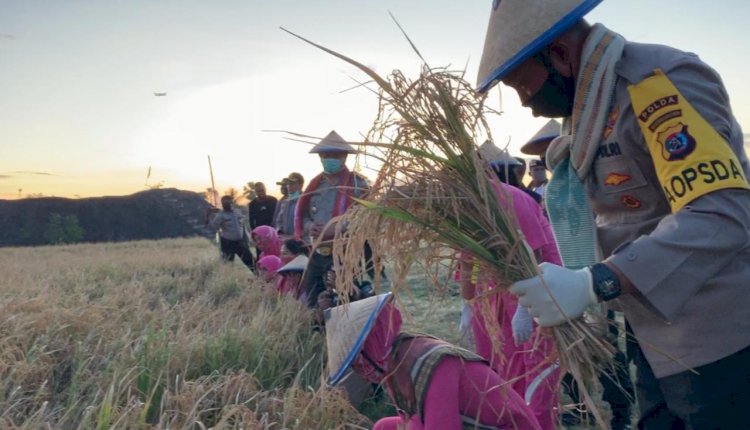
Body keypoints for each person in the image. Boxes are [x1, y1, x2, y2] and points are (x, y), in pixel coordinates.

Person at [477, 1, 750, 428]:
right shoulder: (588, 112)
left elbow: (721, 213)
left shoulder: (655, 85)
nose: (525, 104)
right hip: (651, 335)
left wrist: (597, 281)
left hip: (718, 343)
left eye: (520, 86)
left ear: (561, 55)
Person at [325, 293, 542, 430]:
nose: (360, 371)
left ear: (373, 342)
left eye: (358, 360)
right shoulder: (396, 362)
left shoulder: (435, 363)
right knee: (385, 426)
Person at [460, 141, 562, 430]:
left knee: (538, 375)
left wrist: (526, 310)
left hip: (539, 287)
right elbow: (466, 260)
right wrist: (466, 306)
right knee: (508, 372)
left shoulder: (511, 199)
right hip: (500, 290)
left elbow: (539, 256)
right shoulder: (471, 205)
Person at [295, 130, 369, 308]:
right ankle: (318, 332)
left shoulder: (358, 185)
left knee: (345, 300)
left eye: (335, 155)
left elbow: (366, 217)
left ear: (344, 157)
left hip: (345, 252)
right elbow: (303, 215)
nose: (329, 158)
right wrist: (309, 226)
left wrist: (338, 228)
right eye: (325, 155)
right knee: (313, 300)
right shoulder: (314, 185)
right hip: (317, 252)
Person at [205, 195, 255, 271]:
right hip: (227, 243)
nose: (226, 204)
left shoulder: (237, 212)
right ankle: (228, 280)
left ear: (232, 202)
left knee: (251, 262)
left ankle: (260, 277)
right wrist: (208, 216)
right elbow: (214, 226)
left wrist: (247, 239)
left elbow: (243, 224)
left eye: (228, 202)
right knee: (227, 265)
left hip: (240, 242)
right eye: (224, 203)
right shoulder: (221, 215)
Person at [248, 182, 278, 258]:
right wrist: (254, 236)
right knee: (261, 255)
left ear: (265, 189)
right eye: (258, 191)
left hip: (273, 233)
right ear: (255, 192)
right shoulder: (252, 204)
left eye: (262, 190)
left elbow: (278, 216)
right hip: (260, 236)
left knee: (274, 253)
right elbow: (251, 220)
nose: (261, 193)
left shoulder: (273, 200)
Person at [275, 172, 305, 239]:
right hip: (286, 241)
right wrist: (279, 232)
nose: (289, 186)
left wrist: (295, 237)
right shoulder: (285, 203)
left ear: (301, 185)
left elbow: (308, 223)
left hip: (302, 241)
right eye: (288, 184)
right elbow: (279, 221)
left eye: (292, 183)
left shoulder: (306, 201)